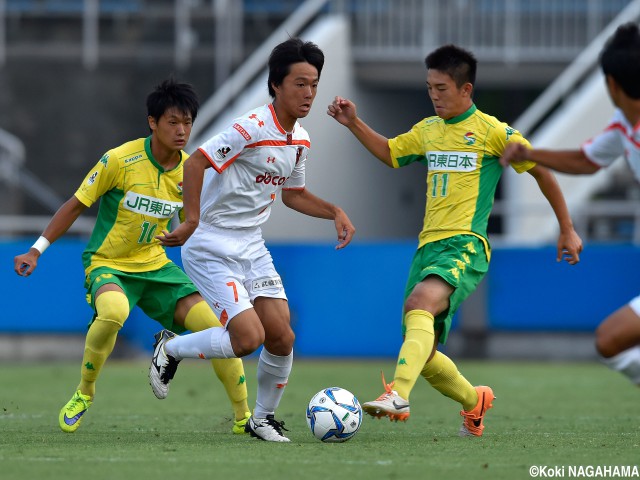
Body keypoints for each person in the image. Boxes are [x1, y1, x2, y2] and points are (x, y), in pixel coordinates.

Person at [327, 44, 583, 436]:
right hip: (427, 247)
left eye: (442, 88)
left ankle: (398, 394)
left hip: (465, 244)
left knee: (419, 305)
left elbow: (542, 172)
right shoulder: (428, 130)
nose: (434, 95)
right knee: (424, 351)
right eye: (429, 87)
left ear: (466, 89)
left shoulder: (493, 132)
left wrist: (566, 227)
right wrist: (354, 123)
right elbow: (392, 153)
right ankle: (473, 400)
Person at [14, 78, 251, 434]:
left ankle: (245, 418)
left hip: (157, 268)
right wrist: (37, 249)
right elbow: (75, 205)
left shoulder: (191, 171)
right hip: (108, 264)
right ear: (152, 122)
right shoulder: (120, 160)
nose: (182, 130)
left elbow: (195, 223)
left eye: (187, 122)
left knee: (218, 330)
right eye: (173, 121)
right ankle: (85, 392)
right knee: (113, 313)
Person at [148, 37, 355, 443]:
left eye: (313, 83)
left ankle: (262, 419)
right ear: (276, 85)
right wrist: (191, 221)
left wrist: (335, 211)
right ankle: (170, 350)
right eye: (299, 83)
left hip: (251, 245)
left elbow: (293, 195)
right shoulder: (251, 127)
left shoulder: (301, 140)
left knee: (282, 335)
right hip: (209, 244)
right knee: (248, 339)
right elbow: (196, 162)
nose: (309, 93)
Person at [501, 23, 640, 387]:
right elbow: (586, 161)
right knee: (611, 340)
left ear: (611, 83)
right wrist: (530, 153)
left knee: (611, 340)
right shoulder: (624, 125)